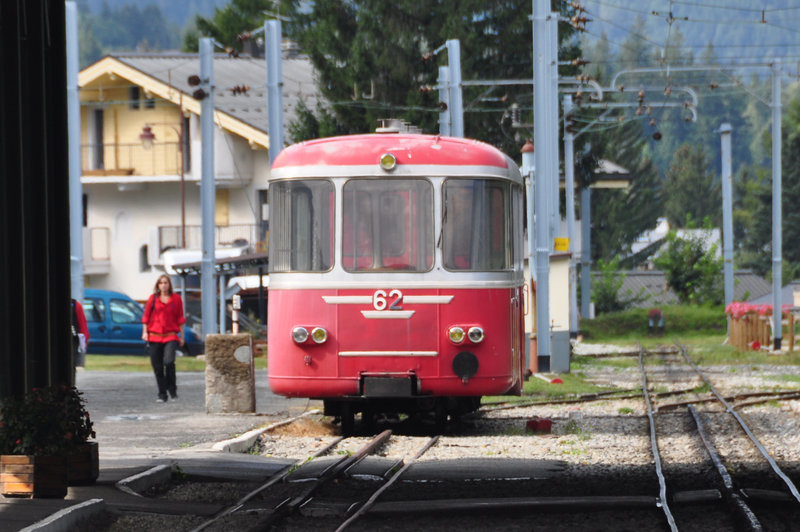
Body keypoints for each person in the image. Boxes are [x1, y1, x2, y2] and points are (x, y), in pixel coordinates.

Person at [142, 274, 185, 402]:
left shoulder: (176, 299)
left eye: (166, 282)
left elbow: (181, 319)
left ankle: (172, 388)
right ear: (158, 285)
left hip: (170, 335)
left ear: (169, 284)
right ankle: (162, 394)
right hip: (154, 336)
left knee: (169, 362)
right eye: (161, 283)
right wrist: (145, 332)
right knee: (158, 367)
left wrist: (181, 336)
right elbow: (146, 317)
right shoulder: (153, 298)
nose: (163, 285)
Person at [71, 298, 90, 373]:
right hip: (73, 341)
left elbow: (82, 324)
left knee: (71, 364)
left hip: (73, 341)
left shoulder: (76, 305)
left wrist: (84, 340)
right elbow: (83, 325)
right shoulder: (75, 305)